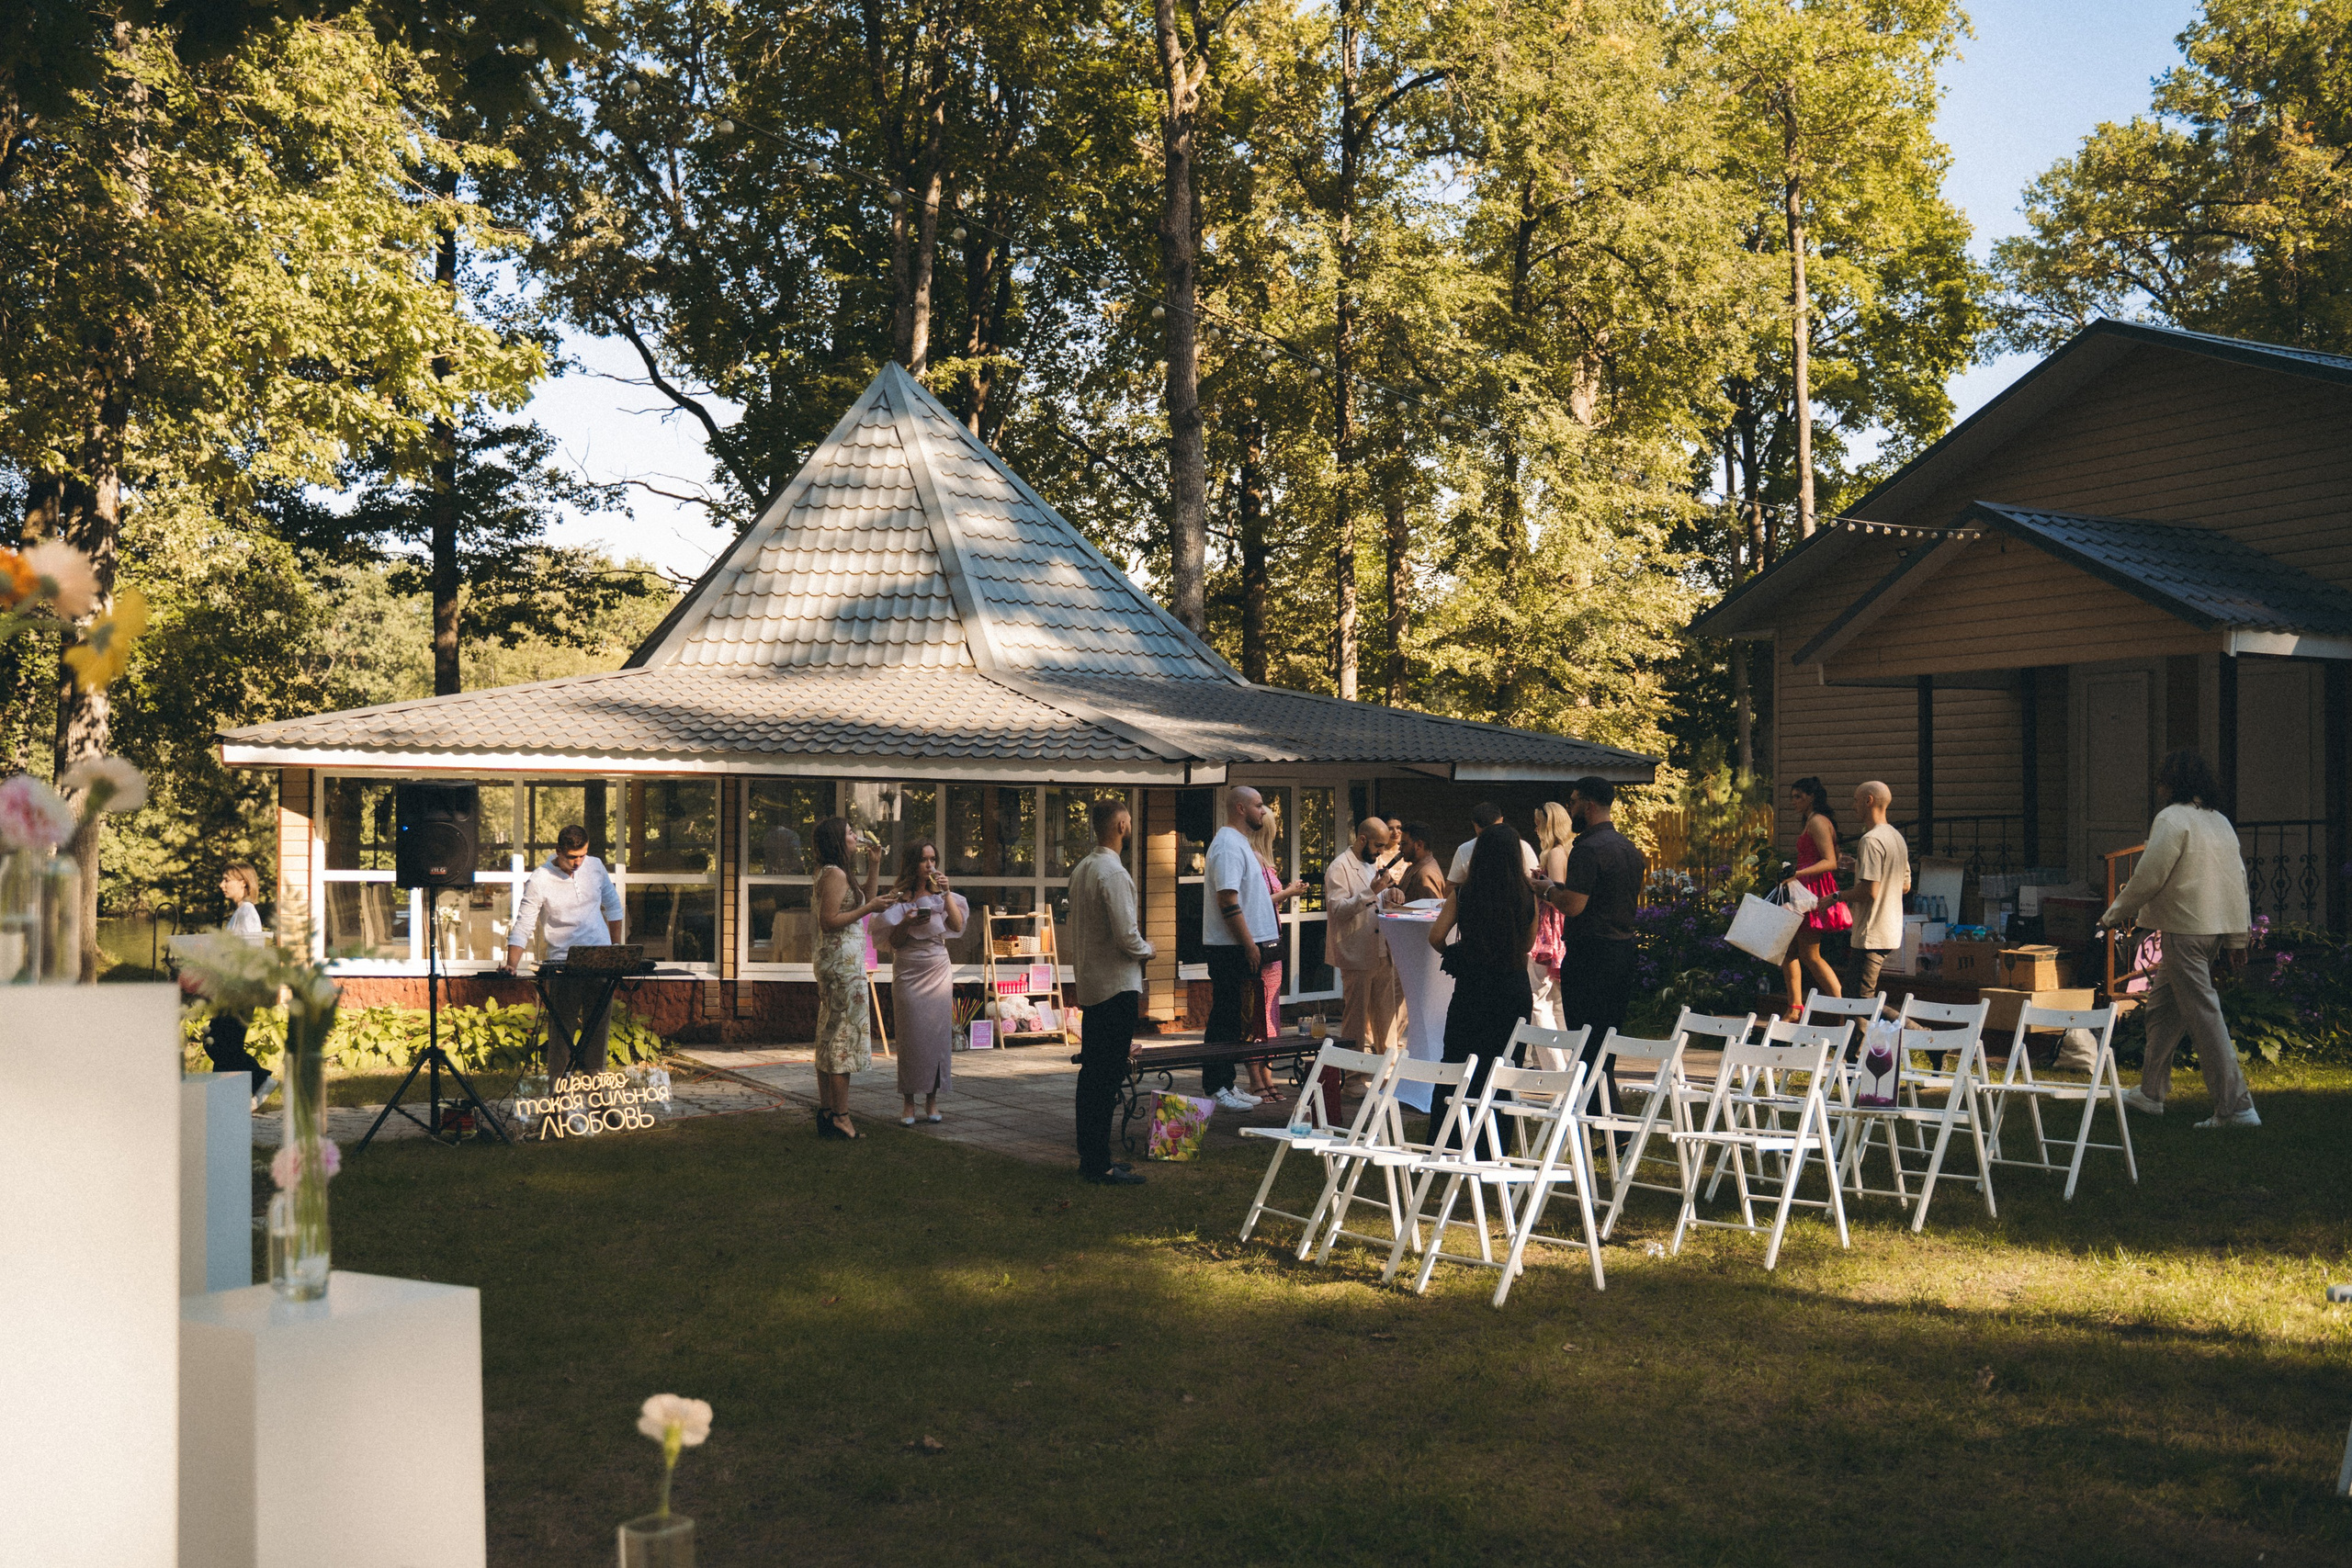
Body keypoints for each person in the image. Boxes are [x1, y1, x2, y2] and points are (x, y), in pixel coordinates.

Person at [2105, 750, 2259, 1129]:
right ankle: (2151, 1092)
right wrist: (2238, 938)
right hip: (2212, 931)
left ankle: (2236, 1107)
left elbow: (2149, 874)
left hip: (2184, 931)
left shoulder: (2171, 819)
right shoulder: (2220, 822)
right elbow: (2238, 880)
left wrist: (2113, 913)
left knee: (2204, 1016)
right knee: (2162, 1009)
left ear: (2170, 783)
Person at [1533, 777, 1645, 1116]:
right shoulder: (1629, 848)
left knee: (1585, 1041)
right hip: (1623, 951)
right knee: (1604, 1042)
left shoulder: (1588, 848)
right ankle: (1602, 1118)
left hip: (1590, 955)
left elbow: (1574, 905)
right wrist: (1557, 886)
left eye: (1573, 802)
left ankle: (1602, 1118)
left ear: (1589, 805)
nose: (1570, 808)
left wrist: (1545, 891)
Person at [1426, 824, 1537, 1145]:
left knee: (1457, 1062)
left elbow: (1436, 937)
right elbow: (1528, 944)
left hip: (1472, 987)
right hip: (1512, 988)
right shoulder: (1527, 894)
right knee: (1502, 1067)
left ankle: (1447, 1138)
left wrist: (1455, 953)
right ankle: (1494, 1142)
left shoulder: (1465, 892)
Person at [1067, 797, 1154, 1184]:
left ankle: (1093, 1157)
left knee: (1093, 1077)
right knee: (1105, 1078)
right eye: (1129, 822)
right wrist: (1149, 951)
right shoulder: (1112, 873)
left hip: (1091, 984)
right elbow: (1126, 934)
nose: (1130, 827)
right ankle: (1098, 1164)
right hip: (1115, 987)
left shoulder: (1084, 868)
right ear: (1120, 825)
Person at [504, 825, 627, 1083]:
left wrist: (616, 953)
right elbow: (524, 924)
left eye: (582, 855)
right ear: (558, 851)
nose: (578, 862)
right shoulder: (539, 879)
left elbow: (614, 908)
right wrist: (511, 965)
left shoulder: (595, 867)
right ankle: (557, 1099)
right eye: (572, 857)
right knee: (561, 1035)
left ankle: (598, 1099)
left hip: (600, 960)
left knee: (597, 1033)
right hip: (563, 964)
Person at [808, 816, 903, 1140]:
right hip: (841, 966)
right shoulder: (834, 874)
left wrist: (875, 865)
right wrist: (870, 907)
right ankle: (841, 1117)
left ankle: (827, 1113)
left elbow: (865, 899)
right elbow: (829, 920)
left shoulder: (837, 871)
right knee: (842, 1040)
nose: (856, 837)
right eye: (850, 833)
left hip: (840, 963)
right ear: (838, 840)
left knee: (830, 1034)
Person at [1201, 786, 1278, 1111]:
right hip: (1230, 948)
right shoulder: (1228, 847)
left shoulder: (1240, 844)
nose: (1264, 811)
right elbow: (1227, 900)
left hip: (1243, 947)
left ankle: (1228, 1082)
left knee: (1237, 1020)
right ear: (1240, 808)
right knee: (1225, 1016)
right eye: (1259, 805)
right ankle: (1216, 1085)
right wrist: (1248, 945)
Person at [882, 840, 966, 1126]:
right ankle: (908, 1101)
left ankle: (932, 1099)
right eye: (924, 860)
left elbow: (956, 926)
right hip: (907, 967)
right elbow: (892, 941)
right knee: (910, 1036)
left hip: (937, 966)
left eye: (933, 859)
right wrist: (906, 922)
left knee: (936, 1034)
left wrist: (947, 892)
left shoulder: (941, 894)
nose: (930, 865)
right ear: (912, 864)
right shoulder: (900, 896)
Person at [1241, 809, 1310, 1099]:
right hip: (1261, 946)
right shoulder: (1253, 860)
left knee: (1270, 1017)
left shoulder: (1265, 862)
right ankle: (1256, 1079)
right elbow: (1254, 902)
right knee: (1258, 1016)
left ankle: (1267, 1079)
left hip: (1272, 944)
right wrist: (1289, 893)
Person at [1327, 815, 1406, 1056]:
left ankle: (1388, 1071)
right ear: (1362, 839)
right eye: (1378, 846)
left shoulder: (1373, 863)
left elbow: (1377, 901)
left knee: (1386, 1016)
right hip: (1356, 952)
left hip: (1382, 949)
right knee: (1356, 1019)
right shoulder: (1339, 867)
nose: (1382, 851)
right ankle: (1353, 1077)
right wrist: (1372, 892)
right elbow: (1338, 910)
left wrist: (1392, 895)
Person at [195, 863, 273, 1102]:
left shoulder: (247, 913)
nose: (222, 885)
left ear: (244, 883)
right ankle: (229, 1095)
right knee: (219, 1042)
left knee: (220, 1042)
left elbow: (248, 954)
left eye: (226, 880)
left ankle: (259, 1081)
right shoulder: (240, 913)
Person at [1780, 776, 1850, 1017]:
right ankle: (1794, 1007)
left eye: (1798, 796)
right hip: (1804, 889)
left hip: (1812, 892)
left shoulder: (1818, 822)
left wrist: (1797, 873)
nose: (1793, 802)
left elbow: (1830, 862)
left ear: (1812, 797)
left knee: (1811, 954)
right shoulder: (1813, 821)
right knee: (1787, 951)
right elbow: (1838, 857)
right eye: (1792, 797)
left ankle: (1844, 1009)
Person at [1843, 783, 1911, 1006]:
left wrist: (1835, 897)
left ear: (1868, 800)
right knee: (1858, 998)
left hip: (1870, 932)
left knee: (1859, 1001)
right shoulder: (1896, 838)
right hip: (1889, 930)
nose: (1853, 806)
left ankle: (1917, 1030)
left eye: (1855, 800)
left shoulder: (1870, 840)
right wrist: (1859, 868)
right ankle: (1859, 1041)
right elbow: (1904, 885)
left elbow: (1869, 891)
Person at [1529, 803, 1574, 1030]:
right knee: (1555, 1000)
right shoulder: (1563, 850)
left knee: (1538, 998)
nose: (1536, 831)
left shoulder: (1555, 852)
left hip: (1548, 931)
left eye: (1539, 825)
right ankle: (1564, 1059)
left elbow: (1556, 895)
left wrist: (1535, 885)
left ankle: (1554, 1063)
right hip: (1555, 930)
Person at [1446, 800, 1539, 885]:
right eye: (1484, 834)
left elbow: (1535, 882)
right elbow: (1451, 887)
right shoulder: (1465, 850)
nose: (1490, 838)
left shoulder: (1523, 847)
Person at [1385, 821, 1448, 906]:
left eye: (1404, 844)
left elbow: (1430, 913)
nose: (1400, 848)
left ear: (1419, 845)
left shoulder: (1426, 874)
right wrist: (1390, 883)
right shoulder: (1413, 867)